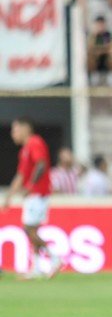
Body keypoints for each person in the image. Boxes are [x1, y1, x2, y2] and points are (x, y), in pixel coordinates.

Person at [2, 117, 63, 279]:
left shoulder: (35, 143)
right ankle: (36, 268)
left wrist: (30, 186)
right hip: (33, 195)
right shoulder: (25, 150)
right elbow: (21, 175)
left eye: (15, 130)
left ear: (25, 128)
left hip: (38, 193)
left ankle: (55, 257)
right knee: (32, 230)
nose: (13, 134)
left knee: (28, 229)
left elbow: (41, 164)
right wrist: (9, 197)